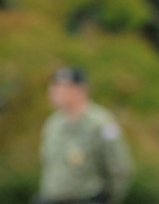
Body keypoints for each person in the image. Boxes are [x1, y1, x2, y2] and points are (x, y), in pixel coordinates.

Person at [38, 66, 133, 204]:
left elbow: (118, 168)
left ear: (80, 90)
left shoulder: (101, 123)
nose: (55, 91)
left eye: (63, 87)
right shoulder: (53, 123)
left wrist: (107, 199)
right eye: (54, 86)